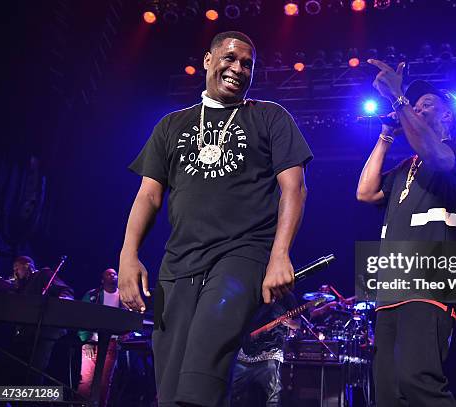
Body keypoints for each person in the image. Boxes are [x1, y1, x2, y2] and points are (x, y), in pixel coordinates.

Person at [118, 31, 313, 407]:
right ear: (207, 60)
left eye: (247, 64)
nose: (238, 68)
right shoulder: (171, 124)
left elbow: (295, 189)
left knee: (206, 358)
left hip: (243, 254)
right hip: (179, 263)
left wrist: (280, 255)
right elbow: (148, 194)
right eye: (229, 58)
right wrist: (129, 254)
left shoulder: (270, 116)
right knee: (172, 384)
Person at [357, 59, 456, 406]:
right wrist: (386, 135)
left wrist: (399, 100)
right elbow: (365, 192)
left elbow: (438, 157)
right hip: (392, 283)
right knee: (387, 392)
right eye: (414, 104)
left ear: (447, 116)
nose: (417, 107)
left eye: (427, 104)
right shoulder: (404, 167)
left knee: (418, 381)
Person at [7, 256, 74, 385]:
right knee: (19, 367)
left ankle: (35, 401)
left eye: (17, 268)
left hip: (44, 331)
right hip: (26, 333)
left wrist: (64, 297)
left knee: (36, 368)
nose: (15, 273)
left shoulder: (43, 274)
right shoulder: (21, 285)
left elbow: (65, 290)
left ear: (28, 266)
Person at [231, 292, 299, 407]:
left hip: (270, 352)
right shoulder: (254, 290)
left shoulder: (287, 297)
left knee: (273, 396)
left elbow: (298, 324)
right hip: (245, 350)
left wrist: (291, 324)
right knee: (233, 393)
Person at [77, 268, 122, 406]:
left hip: (111, 343)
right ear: (102, 280)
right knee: (86, 381)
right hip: (92, 342)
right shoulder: (93, 295)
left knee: (104, 382)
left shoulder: (124, 296)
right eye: (108, 273)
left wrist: (126, 334)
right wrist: (86, 340)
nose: (112, 275)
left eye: (114, 273)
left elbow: (130, 317)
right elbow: (81, 317)